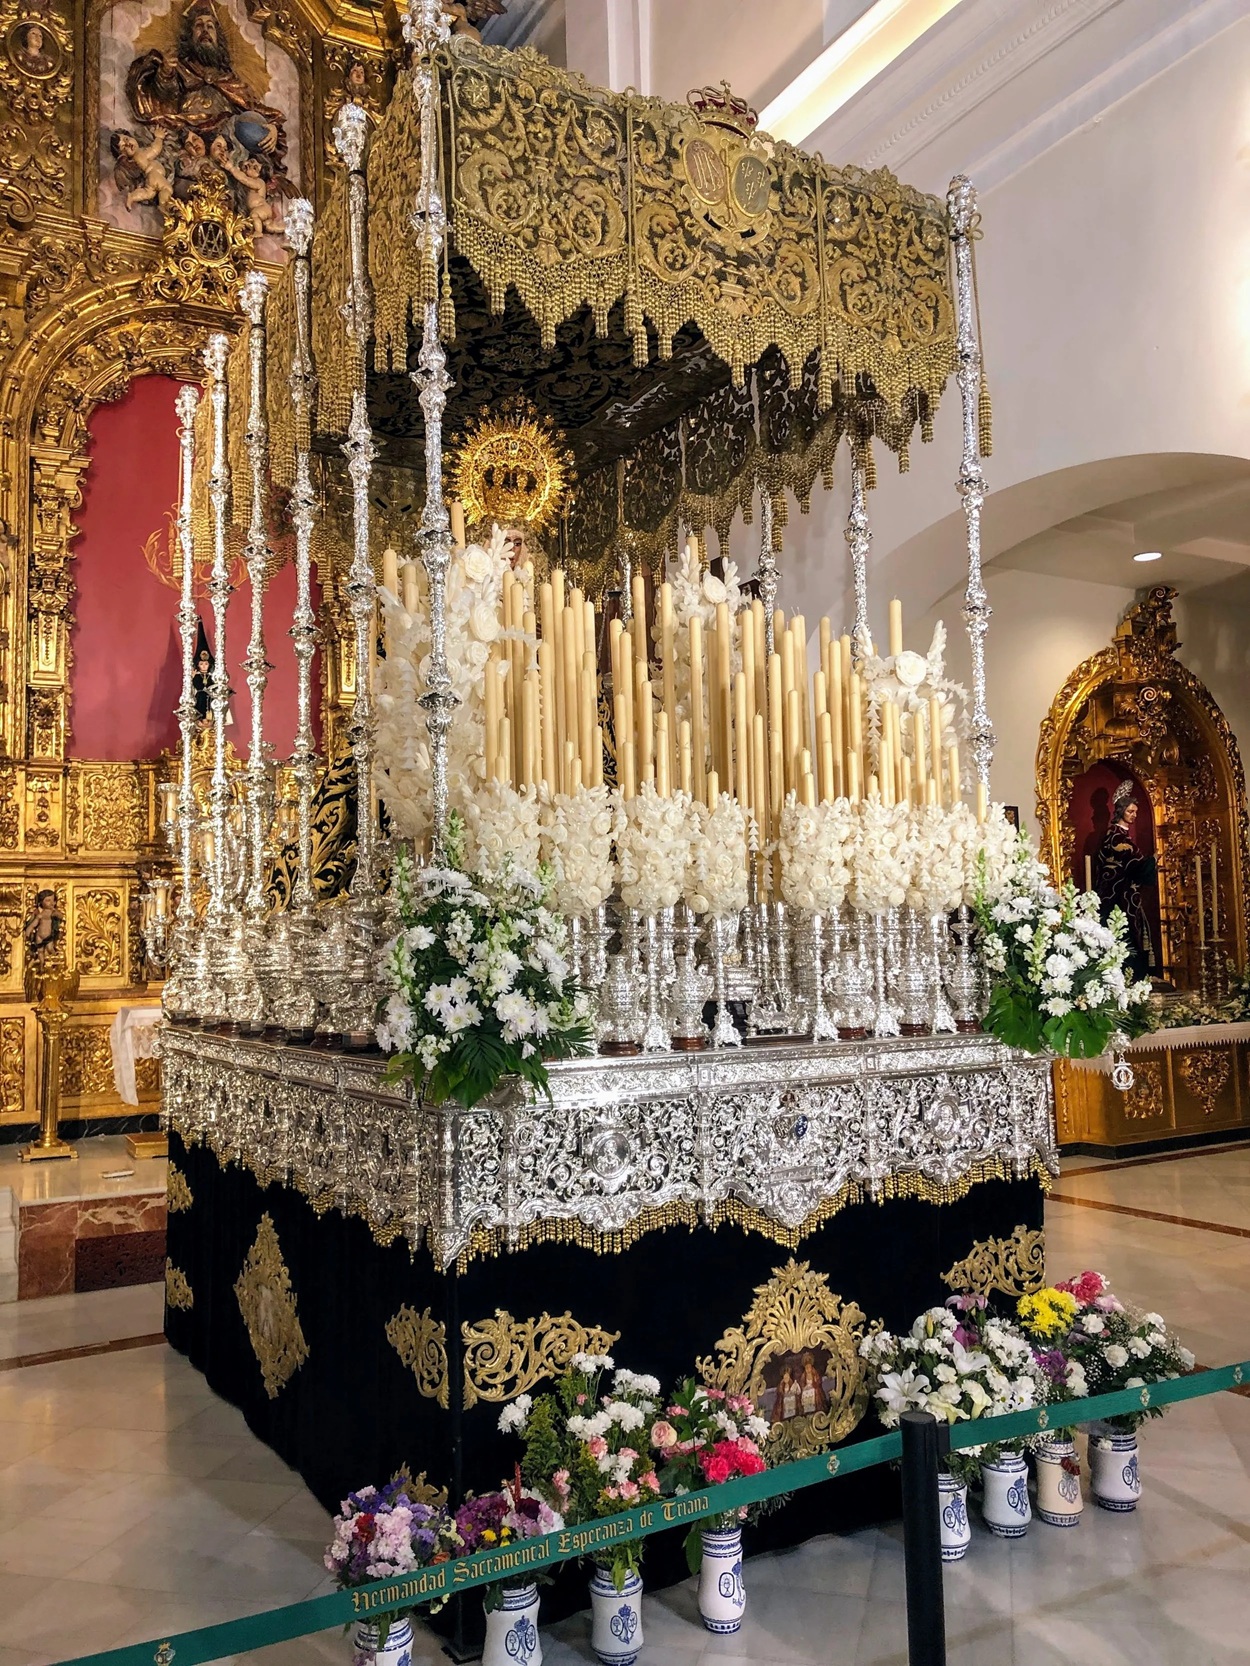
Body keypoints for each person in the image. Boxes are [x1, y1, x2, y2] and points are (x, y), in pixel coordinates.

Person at [1093, 778, 1158, 982]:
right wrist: (1151, 862)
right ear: (1121, 811)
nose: (1134, 815)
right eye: (1130, 811)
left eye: (1136, 812)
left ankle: (1139, 977)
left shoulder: (1123, 837)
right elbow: (1131, 863)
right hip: (1117, 897)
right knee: (1125, 934)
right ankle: (1131, 977)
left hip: (1126, 894)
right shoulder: (1115, 837)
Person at [111, 128, 174, 211]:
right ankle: (164, 206)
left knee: (147, 193)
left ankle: (132, 197)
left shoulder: (136, 157)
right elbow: (155, 149)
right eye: (124, 147)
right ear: (123, 155)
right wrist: (159, 138)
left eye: (126, 139)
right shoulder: (140, 154)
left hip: (150, 178)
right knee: (167, 188)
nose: (128, 144)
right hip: (154, 174)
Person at [23, 889, 62, 960]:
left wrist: (55, 912)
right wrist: (28, 932)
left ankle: (53, 958)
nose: (51, 903)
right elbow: (33, 924)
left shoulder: (53, 913)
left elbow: (60, 916)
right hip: (39, 936)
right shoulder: (40, 915)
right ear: (41, 902)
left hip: (49, 936)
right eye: (48, 900)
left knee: (50, 948)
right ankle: (41, 965)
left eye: (53, 900)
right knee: (40, 951)